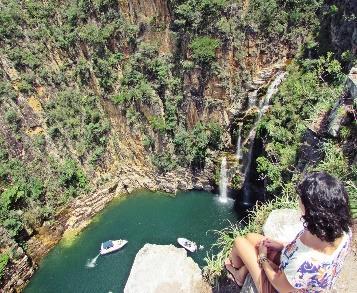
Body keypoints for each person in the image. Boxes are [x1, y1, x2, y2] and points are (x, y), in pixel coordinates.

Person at [224, 172, 352, 292]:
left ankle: (239, 275)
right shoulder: (340, 231)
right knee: (250, 237)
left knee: (239, 242)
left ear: (311, 210)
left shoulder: (304, 263)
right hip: (290, 268)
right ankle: (245, 268)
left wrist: (262, 258)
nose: (298, 201)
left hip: (280, 286)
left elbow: (279, 285)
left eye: (301, 199)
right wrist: (282, 245)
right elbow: (302, 248)